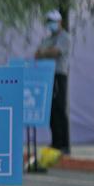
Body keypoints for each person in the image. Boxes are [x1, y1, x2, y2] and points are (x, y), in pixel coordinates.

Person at [35, 9, 71, 154]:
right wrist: (46, 52)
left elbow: (56, 52)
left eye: (52, 21)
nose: (50, 24)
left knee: (60, 108)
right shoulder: (47, 39)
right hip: (47, 77)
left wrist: (45, 52)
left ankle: (64, 144)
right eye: (48, 21)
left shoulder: (65, 37)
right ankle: (56, 143)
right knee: (50, 110)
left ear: (59, 21)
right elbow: (37, 54)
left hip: (59, 76)